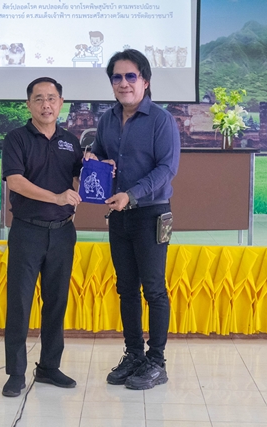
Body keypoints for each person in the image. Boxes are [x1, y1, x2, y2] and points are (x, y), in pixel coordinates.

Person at [85, 49, 180, 390]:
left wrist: (132, 194)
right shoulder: (108, 119)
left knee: (153, 288)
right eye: (117, 77)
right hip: (119, 214)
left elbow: (167, 168)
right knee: (126, 288)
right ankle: (135, 355)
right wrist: (95, 159)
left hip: (152, 212)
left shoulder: (161, 120)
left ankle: (156, 361)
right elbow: (100, 154)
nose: (123, 83)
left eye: (130, 76)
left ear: (145, 81)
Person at [1, 77, 83, 397]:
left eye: (51, 98)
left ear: (61, 103)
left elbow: (80, 178)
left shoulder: (71, 141)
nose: (46, 104)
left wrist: (96, 170)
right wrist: (57, 198)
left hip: (62, 233)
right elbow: (16, 182)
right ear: (29, 104)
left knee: (56, 302)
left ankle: (49, 367)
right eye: (39, 99)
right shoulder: (17, 139)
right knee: (19, 303)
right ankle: (16, 372)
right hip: (27, 230)